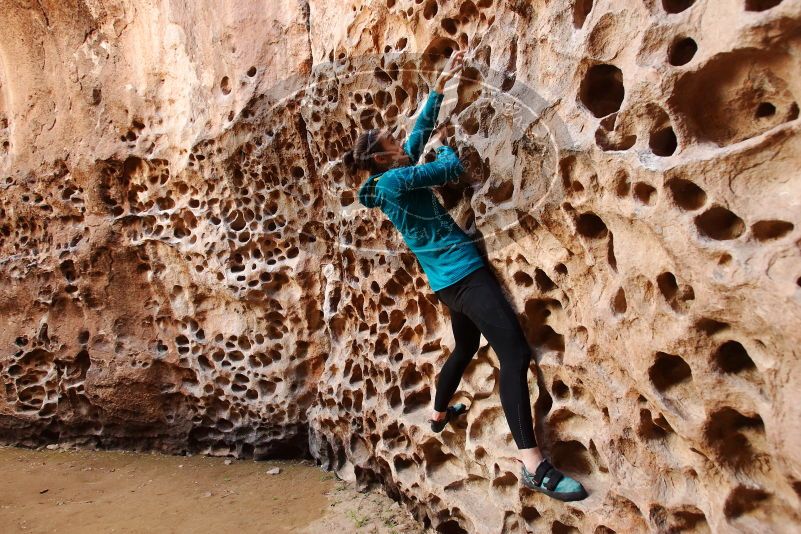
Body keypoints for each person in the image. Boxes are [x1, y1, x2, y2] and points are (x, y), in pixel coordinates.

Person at [343, 50, 587, 502]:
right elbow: (450, 167)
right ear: (381, 157)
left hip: (446, 286)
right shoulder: (397, 182)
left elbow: (416, 137)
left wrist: (441, 86)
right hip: (465, 276)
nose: (401, 140)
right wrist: (450, 148)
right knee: (513, 357)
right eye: (391, 142)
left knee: (467, 346)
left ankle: (438, 415)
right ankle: (533, 464)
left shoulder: (389, 179)